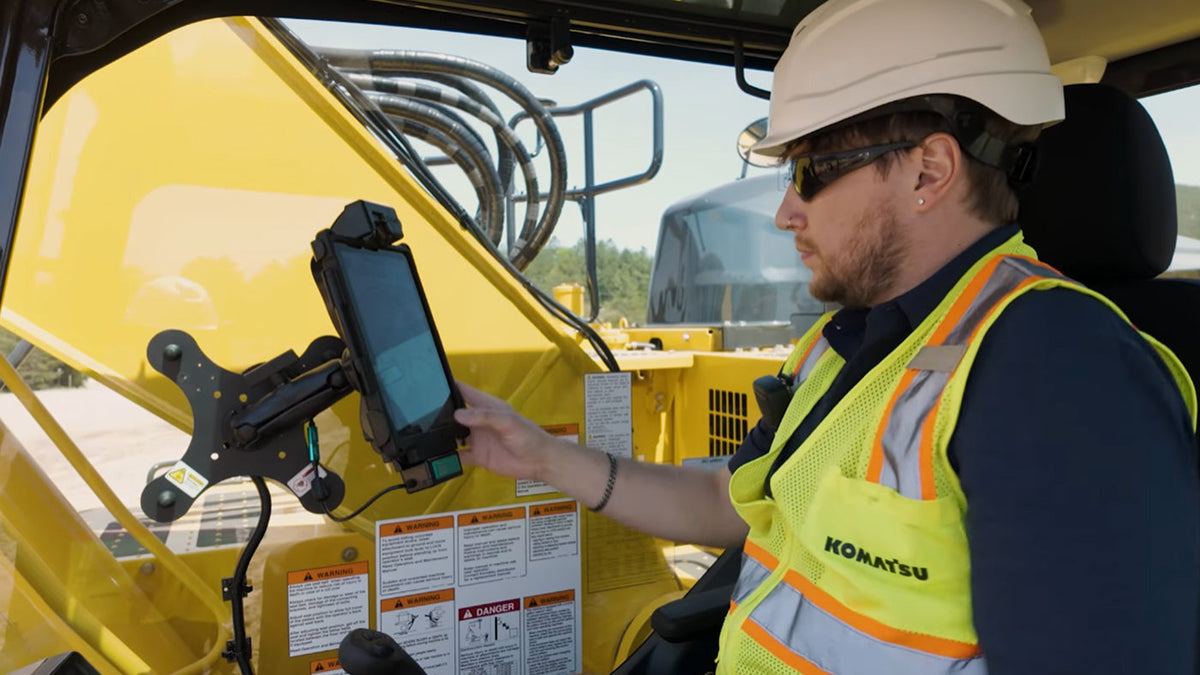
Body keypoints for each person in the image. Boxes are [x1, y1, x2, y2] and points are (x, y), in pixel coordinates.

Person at [453, 0, 1200, 672]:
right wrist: (541, 453)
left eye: (810, 170)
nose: (785, 212)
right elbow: (732, 500)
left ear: (929, 171)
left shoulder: (1059, 372)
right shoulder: (859, 341)